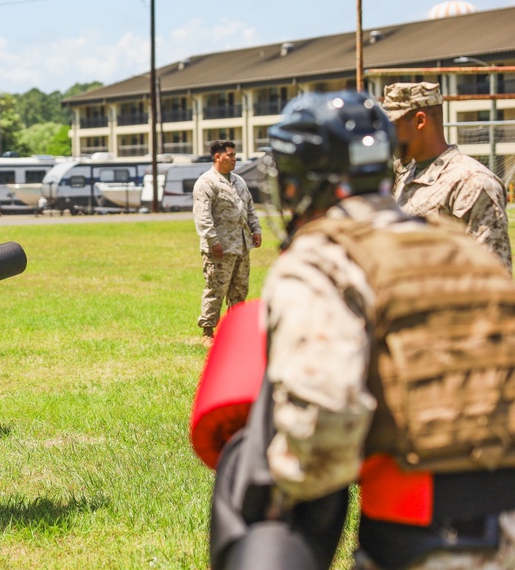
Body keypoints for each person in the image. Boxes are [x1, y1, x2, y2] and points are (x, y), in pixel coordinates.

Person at [209, 91, 515, 570]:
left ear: (302, 182)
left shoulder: (321, 260)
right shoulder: (467, 253)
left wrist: (276, 482)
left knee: (250, 481)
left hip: (422, 535)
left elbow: (324, 427)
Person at [383, 81, 512, 272]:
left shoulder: (472, 182)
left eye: (393, 127)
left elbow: (494, 276)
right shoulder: (407, 174)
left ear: (420, 121)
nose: (387, 136)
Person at [193, 139, 262, 347]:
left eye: (234, 155)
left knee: (240, 290)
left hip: (241, 245)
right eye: (230, 155)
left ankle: (236, 331)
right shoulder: (207, 182)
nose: (234, 159)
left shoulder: (238, 181)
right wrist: (213, 240)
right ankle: (208, 331)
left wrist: (256, 229)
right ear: (217, 157)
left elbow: (249, 208)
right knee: (216, 289)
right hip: (219, 248)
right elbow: (203, 216)